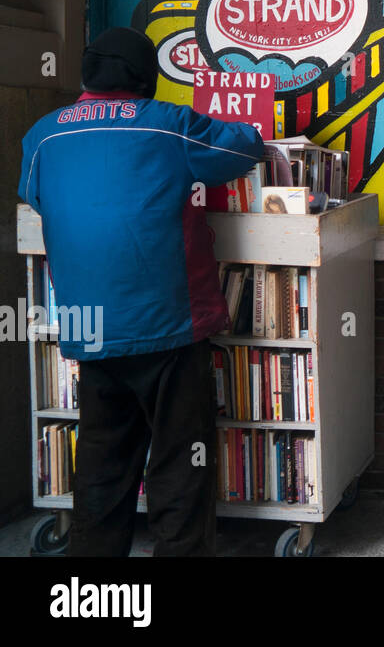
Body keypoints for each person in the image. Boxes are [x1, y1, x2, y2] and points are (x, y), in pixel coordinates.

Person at [19, 27, 263, 556]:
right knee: (181, 462)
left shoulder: (42, 136)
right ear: (143, 77)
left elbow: (35, 196)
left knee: (103, 464)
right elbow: (243, 148)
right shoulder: (169, 126)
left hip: (89, 326)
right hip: (167, 324)